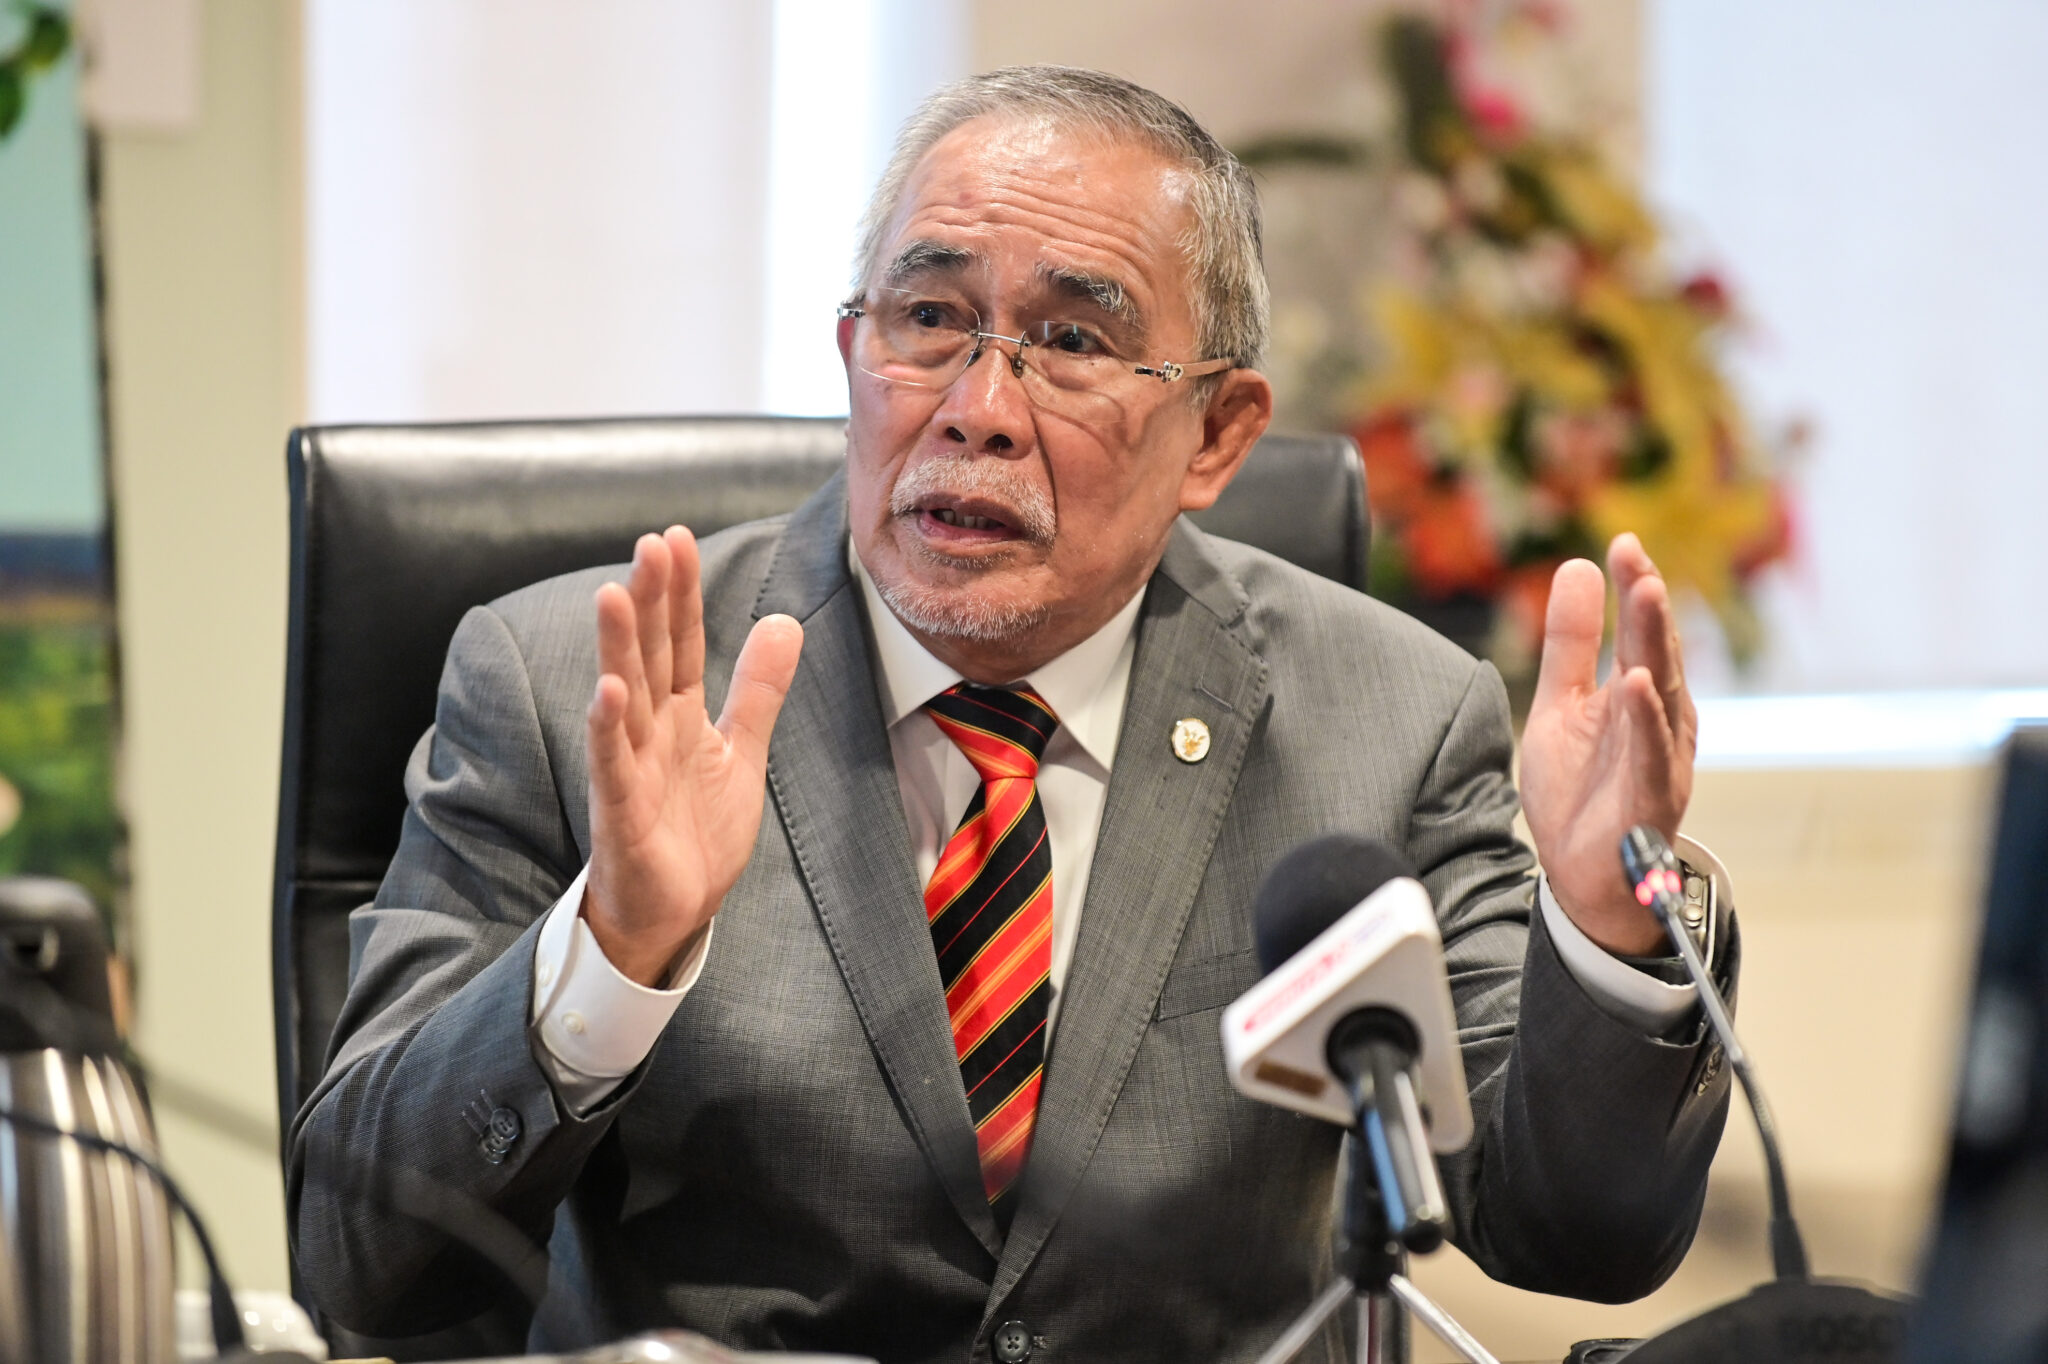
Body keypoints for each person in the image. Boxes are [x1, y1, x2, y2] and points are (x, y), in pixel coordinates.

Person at [289, 66, 1735, 1363]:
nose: (979, 405)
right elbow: (366, 1263)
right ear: (853, 354)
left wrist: (1607, 928)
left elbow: (1574, 1235)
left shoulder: (1388, 716)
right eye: (930, 320)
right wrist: (612, 951)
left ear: (1218, 434)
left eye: (1073, 340)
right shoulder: (577, 692)